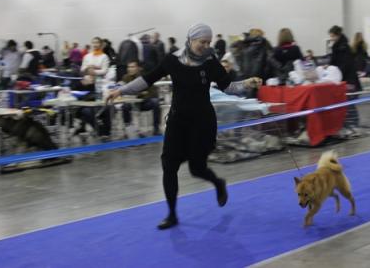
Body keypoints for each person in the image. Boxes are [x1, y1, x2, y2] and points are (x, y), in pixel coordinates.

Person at [107, 23, 262, 230]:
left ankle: (218, 183)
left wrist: (247, 83)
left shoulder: (210, 62)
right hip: (177, 122)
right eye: (202, 42)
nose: (205, 46)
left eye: (208, 42)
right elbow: (147, 79)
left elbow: (228, 86)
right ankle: (172, 214)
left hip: (202, 123)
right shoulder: (172, 60)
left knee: (197, 169)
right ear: (190, 39)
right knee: (168, 166)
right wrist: (121, 90)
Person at [120, 61, 162, 136]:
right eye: (128, 67)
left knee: (155, 102)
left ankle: (156, 128)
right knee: (124, 106)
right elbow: (123, 92)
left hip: (144, 103)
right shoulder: (125, 78)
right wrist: (140, 93)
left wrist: (139, 95)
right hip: (131, 103)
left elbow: (152, 92)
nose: (130, 69)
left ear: (137, 68)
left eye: (132, 67)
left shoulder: (144, 77)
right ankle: (128, 129)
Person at [328, 26, 360, 91]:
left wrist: (335, 73)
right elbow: (333, 61)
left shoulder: (344, 47)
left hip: (348, 79)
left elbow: (345, 64)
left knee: (347, 95)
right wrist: (328, 67)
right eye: (331, 36)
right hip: (341, 76)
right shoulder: (336, 46)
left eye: (333, 36)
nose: (331, 38)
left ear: (338, 35)